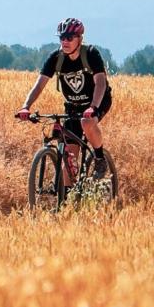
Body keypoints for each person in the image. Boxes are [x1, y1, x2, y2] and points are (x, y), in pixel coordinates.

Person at [17, 18, 113, 183]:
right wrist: (26, 107)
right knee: (69, 159)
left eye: (69, 37)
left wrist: (93, 107)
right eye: (62, 37)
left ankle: (99, 159)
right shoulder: (56, 58)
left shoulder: (90, 54)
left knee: (87, 122)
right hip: (73, 107)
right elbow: (39, 85)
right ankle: (67, 201)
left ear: (80, 38)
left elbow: (100, 82)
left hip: (98, 100)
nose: (65, 41)